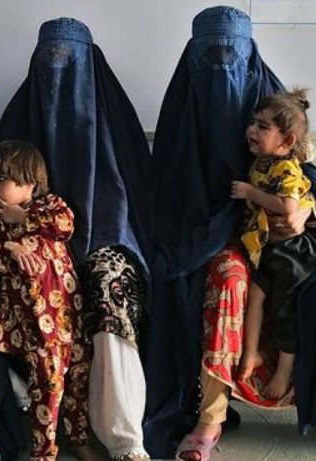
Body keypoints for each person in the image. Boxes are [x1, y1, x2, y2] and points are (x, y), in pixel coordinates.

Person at [0, 17, 152, 461]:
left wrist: (35, 225)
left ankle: (123, 437)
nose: (57, 75)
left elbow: (127, 196)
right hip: (25, 272)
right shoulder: (19, 122)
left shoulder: (112, 117)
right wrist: (12, 241)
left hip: (104, 234)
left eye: (69, 63)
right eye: (48, 62)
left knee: (109, 287)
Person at [141, 7, 315, 461]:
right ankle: (210, 417)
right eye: (210, 58)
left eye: (231, 57)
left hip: (271, 242)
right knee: (228, 282)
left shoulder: (275, 111)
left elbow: (306, 178)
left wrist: (303, 211)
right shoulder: (181, 115)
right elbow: (163, 191)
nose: (222, 69)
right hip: (199, 235)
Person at [0, 141, 79, 461]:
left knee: (74, 383)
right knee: (44, 383)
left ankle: (78, 436)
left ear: (30, 182)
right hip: (27, 325)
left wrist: (24, 217)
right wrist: (10, 248)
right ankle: (43, 452)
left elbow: (65, 225)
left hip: (66, 319)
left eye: (2, 179)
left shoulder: (50, 207)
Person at [232, 89, 316, 399]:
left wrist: (250, 193)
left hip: (293, 254)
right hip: (270, 251)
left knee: (284, 308)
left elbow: (288, 207)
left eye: (263, 127)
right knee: (255, 296)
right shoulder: (262, 163)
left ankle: (284, 371)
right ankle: (251, 353)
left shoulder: (287, 168)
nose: (252, 130)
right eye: (253, 123)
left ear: (286, 141)